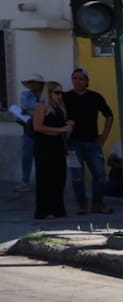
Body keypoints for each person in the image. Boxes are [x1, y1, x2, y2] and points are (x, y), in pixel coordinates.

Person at [63, 67, 114, 215]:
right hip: (73, 143)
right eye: (74, 78)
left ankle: (98, 204)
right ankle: (82, 205)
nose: (77, 81)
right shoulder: (66, 97)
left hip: (92, 142)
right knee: (77, 176)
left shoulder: (95, 97)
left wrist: (104, 136)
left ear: (86, 81)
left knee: (99, 174)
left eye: (80, 78)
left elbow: (109, 115)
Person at [30, 81, 73, 220]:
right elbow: (38, 127)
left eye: (61, 93)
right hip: (44, 147)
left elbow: (61, 126)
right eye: (57, 92)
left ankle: (57, 209)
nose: (60, 96)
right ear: (48, 93)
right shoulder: (41, 107)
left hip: (58, 146)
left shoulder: (60, 108)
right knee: (45, 179)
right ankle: (44, 210)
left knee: (59, 178)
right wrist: (61, 129)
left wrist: (68, 124)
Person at [10, 73, 44, 192]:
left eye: (33, 82)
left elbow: (47, 108)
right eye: (30, 82)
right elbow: (25, 105)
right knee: (27, 156)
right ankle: (25, 181)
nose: (31, 85)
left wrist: (30, 110)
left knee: (43, 157)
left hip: (44, 130)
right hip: (29, 129)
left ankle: (43, 181)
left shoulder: (46, 94)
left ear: (39, 84)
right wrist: (40, 108)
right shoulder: (25, 94)